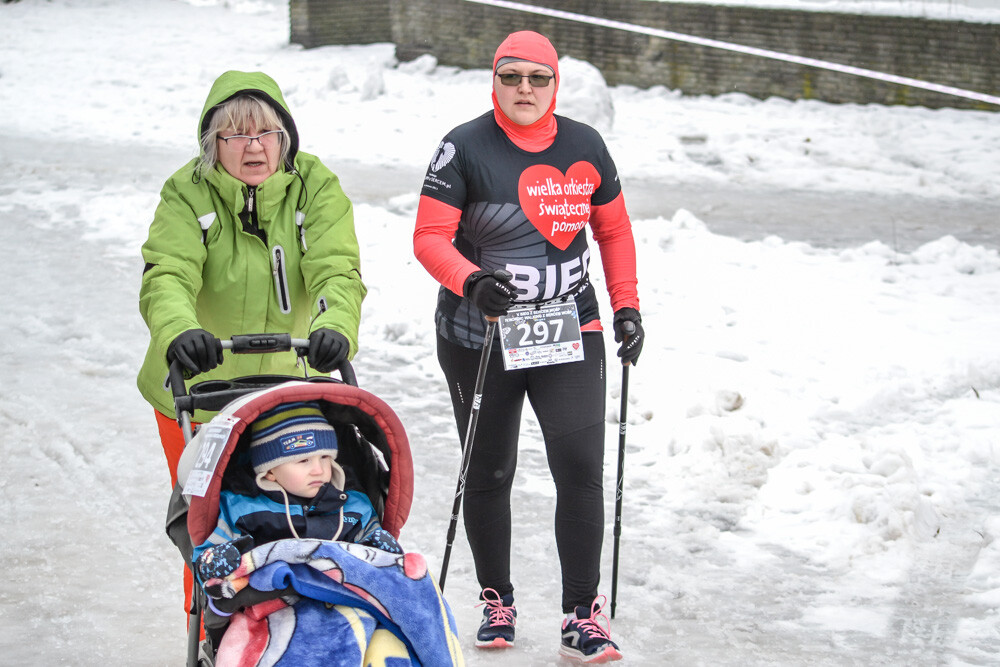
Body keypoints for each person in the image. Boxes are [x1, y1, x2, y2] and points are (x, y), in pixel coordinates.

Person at [412, 30, 644, 664]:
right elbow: (430, 237)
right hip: (479, 332)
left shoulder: (584, 146)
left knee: (579, 470)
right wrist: (473, 280)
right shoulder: (462, 147)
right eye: (511, 76)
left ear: (554, 84)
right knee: (488, 470)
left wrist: (626, 306)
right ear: (494, 80)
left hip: (571, 325)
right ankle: (497, 603)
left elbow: (614, 231)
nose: (524, 89)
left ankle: (581, 615)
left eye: (537, 78)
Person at [136, 70, 366, 613]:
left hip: (289, 385)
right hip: (199, 383)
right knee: (209, 521)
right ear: (212, 144)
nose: (253, 146)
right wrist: (180, 332)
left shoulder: (314, 187)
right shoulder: (186, 191)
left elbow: (337, 269)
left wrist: (334, 328)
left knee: (306, 510)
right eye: (235, 135)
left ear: (285, 138)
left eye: (265, 133)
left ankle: (306, 623)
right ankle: (211, 622)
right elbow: (167, 273)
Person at [192, 401, 403, 595]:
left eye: (325, 457)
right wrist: (216, 561)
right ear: (270, 472)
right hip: (269, 602)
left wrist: (383, 551)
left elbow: (377, 558)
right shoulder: (242, 509)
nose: (318, 470)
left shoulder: (354, 505)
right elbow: (207, 556)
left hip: (343, 598)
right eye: (303, 460)